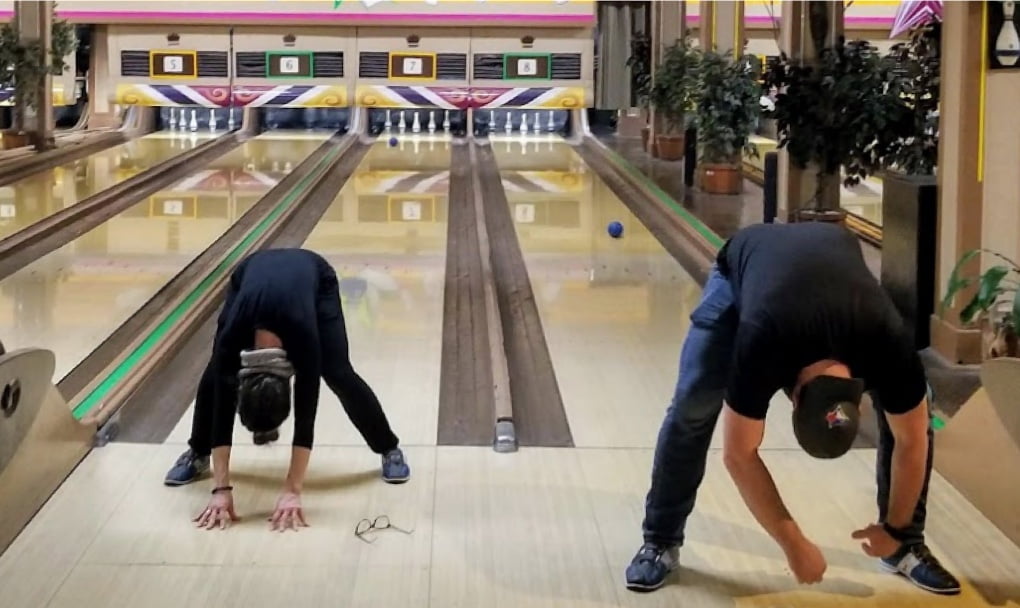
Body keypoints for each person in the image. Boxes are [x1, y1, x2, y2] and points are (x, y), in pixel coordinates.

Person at [625, 222, 960, 595]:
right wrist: (793, 543)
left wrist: (895, 530)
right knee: (694, 401)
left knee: (911, 412)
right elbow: (739, 455)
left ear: (859, 395)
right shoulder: (764, 339)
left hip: (825, 266)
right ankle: (660, 541)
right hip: (746, 264)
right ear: (793, 396)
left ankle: (905, 548)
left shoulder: (887, 343)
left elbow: (912, 440)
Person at [163, 248, 410, 531]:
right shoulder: (233, 335)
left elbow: (307, 418)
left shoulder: (304, 339)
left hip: (316, 277)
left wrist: (293, 489)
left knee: (338, 373)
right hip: (249, 275)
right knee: (214, 377)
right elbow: (223, 398)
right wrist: (220, 489)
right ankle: (198, 452)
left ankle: (389, 448)